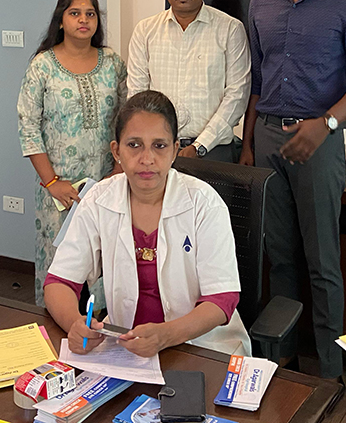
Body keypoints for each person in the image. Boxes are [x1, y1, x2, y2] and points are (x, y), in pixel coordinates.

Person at [239, 0, 346, 380]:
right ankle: (284, 364)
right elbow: (257, 78)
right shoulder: (260, 2)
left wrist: (327, 123)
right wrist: (247, 142)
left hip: (320, 140)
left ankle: (329, 373)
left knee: (322, 262)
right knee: (279, 258)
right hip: (267, 138)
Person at [44, 90, 250, 357]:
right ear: (116, 151)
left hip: (201, 347)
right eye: (134, 145)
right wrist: (74, 324)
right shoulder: (97, 200)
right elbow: (59, 281)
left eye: (159, 145)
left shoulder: (204, 203)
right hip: (125, 345)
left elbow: (223, 298)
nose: (147, 159)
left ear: (175, 150)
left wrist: (167, 335)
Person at [17, 0, 126, 305]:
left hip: (105, 183)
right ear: (61, 20)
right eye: (75, 13)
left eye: (90, 14)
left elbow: (126, 118)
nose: (83, 20)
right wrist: (52, 183)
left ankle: (101, 323)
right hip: (59, 189)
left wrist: (118, 170)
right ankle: (55, 322)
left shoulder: (112, 62)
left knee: (103, 259)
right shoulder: (43, 65)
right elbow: (28, 127)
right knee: (60, 264)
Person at [128, 0, 251, 162]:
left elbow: (237, 95)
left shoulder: (230, 29)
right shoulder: (145, 30)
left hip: (214, 151)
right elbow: (137, 94)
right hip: (159, 149)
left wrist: (200, 146)